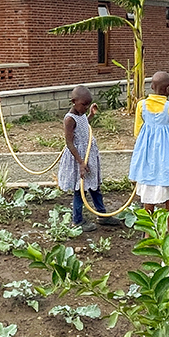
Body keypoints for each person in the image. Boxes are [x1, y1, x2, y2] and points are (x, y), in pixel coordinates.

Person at [128, 72, 169, 231]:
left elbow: (137, 131)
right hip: (166, 156)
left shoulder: (141, 105)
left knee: (148, 193)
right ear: (168, 89)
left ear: (152, 87)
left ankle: (148, 233)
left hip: (147, 156)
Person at [58, 86, 120, 232]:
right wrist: (80, 162)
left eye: (88, 105)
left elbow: (84, 124)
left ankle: (102, 215)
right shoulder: (69, 119)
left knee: (95, 186)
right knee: (80, 190)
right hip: (79, 158)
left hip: (88, 156)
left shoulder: (80, 115)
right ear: (74, 101)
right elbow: (69, 143)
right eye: (84, 105)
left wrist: (91, 115)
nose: (86, 107)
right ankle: (77, 220)